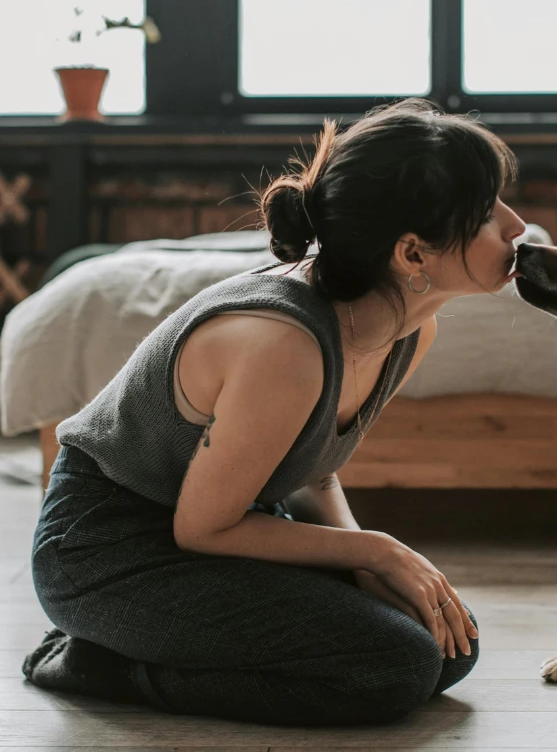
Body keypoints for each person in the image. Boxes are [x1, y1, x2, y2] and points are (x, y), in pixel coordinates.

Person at [24, 98, 526, 726]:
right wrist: (374, 552)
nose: (517, 226)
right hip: (108, 551)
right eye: (486, 213)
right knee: (397, 666)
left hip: (224, 525)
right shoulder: (282, 344)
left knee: (451, 646)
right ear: (413, 255)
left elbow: (313, 466)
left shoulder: (407, 330)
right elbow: (202, 530)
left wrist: (363, 559)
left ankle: (154, 645)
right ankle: (99, 662)